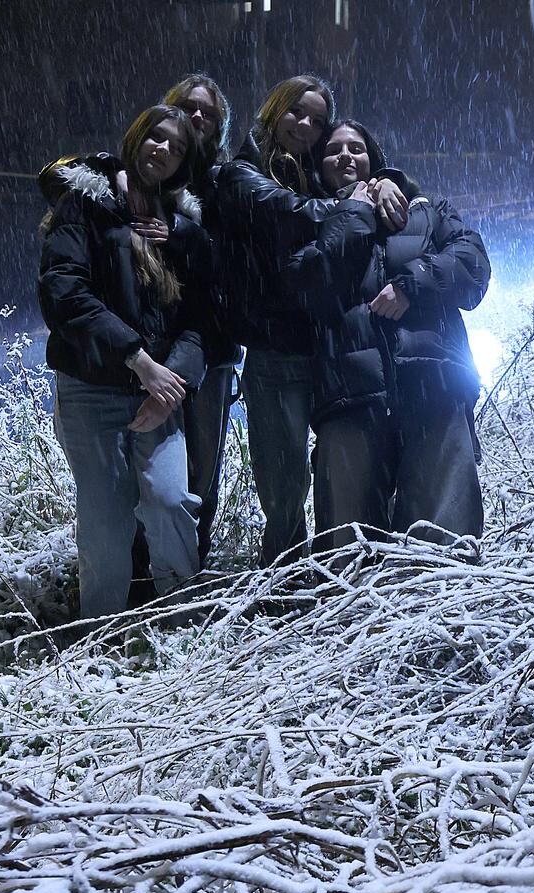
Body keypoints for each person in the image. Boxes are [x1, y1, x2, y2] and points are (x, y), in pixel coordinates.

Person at [213, 75, 410, 566]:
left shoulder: (311, 172)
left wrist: (383, 181)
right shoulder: (244, 174)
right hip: (276, 348)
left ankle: (326, 578)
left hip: (325, 347)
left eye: (317, 120)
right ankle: (281, 587)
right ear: (274, 109)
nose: (306, 124)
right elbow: (290, 213)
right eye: (296, 112)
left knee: (334, 477)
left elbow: (357, 190)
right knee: (283, 485)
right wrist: (357, 200)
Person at [36, 105, 209, 618]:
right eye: (157, 138)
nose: (164, 151)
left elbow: (199, 320)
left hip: (159, 391)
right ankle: (99, 634)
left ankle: (183, 624)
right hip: (91, 387)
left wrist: (170, 382)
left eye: (177, 147)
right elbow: (64, 293)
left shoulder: (178, 224)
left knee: (172, 499)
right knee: (106, 518)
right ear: (136, 136)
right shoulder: (85, 203)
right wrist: (138, 360)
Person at [285, 120, 490, 551]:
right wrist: (355, 211)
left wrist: (411, 284)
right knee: (347, 550)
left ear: (374, 160)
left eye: (356, 148)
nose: (345, 155)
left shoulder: (427, 212)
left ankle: (440, 620)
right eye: (334, 149)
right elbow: (308, 287)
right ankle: (355, 622)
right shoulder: (308, 220)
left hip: (434, 387)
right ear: (318, 167)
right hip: (349, 398)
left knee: (442, 544)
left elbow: (472, 265)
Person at [161, 73, 239, 565]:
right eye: (187, 107)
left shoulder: (225, 182)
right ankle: (149, 577)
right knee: (150, 469)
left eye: (206, 112)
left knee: (201, 468)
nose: (196, 117)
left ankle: (192, 571)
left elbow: (232, 260)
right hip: (152, 343)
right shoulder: (147, 170)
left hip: (212, 345)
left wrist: (181, 231)